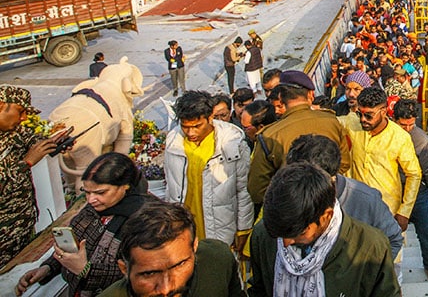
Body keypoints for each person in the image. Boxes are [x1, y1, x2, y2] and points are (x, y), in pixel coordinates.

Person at [248, 163, 400, 297]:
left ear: (326, 216)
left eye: (300, 233)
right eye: (281, 236)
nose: (286, 243)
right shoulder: (264, 235)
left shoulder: (370, 247)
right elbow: (259, 289)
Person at [15, 153, 151, 297]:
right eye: (86, 192)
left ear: (126, 186)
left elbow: (141, 275)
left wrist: (86, 270)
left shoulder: (146, 221)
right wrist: (48, 269)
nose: (91, 199)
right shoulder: (92, 211)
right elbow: (73, 248)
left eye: (100, 192)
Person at [285, 134, 403, 261]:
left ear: (331, 178)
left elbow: (393, 239)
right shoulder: (286, 195)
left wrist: (369, 274)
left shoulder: (366, 200)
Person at [163, 90, 253, 252]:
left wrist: (243, 230)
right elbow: (170, 186)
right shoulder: (173, 142)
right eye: (186, 127)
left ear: (210, 118)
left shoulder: (232, 142)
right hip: (185, 230)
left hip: (221, 229)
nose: (191, 133)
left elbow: (244, 190)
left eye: (197, 126)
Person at [99, 200, 243, 297]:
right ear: (125, 269)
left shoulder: (218, 261)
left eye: (179, 265)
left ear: (195, 247)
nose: (166, 288)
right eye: (149, 274)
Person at [248, 70, 350, 204]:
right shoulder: (332, 121)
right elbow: (344, 163)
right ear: (310, 94)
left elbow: (256, 191)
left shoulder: (269, 135)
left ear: (280, 97)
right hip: (331, 201)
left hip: (292, 209)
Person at [0, 85, 70, 268]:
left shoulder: (12, 131)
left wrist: (55, 143)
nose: (24, 118)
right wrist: (26, 163)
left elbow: (32, 140)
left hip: (20, 229)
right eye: (20, 111)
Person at [346, 86, 421, 232]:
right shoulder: (351, 124)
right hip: (355, 209)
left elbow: (414, 174)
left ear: (384, 111)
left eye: (369, 115)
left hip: (388, 211)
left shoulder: (400, 137)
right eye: (360, 114)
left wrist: (404, 212)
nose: (363, 119)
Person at [392, 99, 428, 282]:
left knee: (427, 231)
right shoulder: (387, 135)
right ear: (394, 119)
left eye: (411, 125)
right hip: (392, 188)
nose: (407, 129)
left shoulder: (421, 140)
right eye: (402, 125)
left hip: (417, 190)